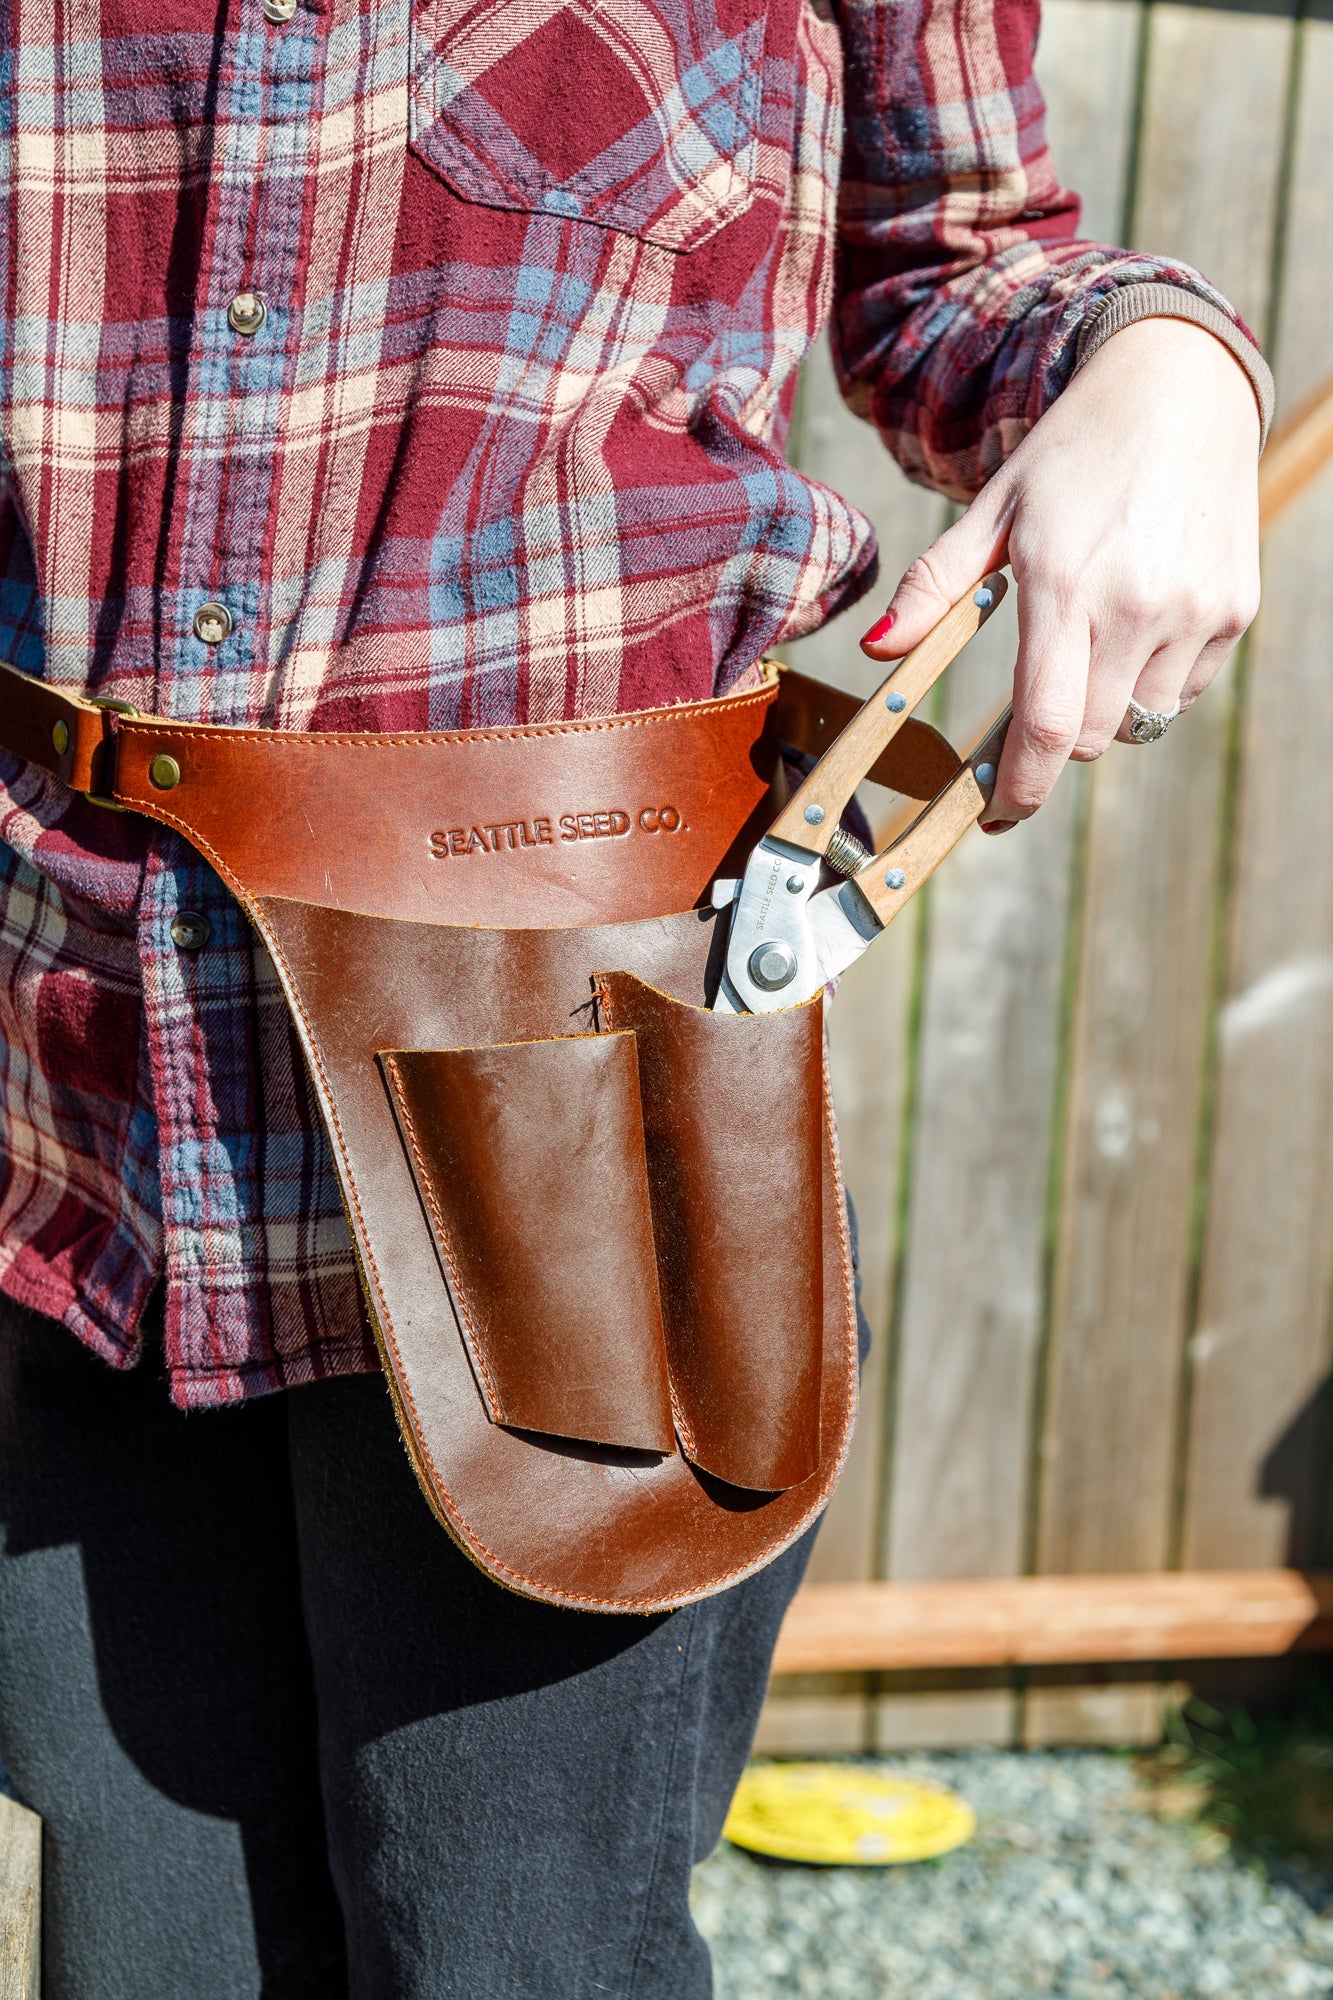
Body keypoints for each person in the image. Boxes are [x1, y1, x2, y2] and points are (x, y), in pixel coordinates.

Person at [0, 0, 1267, 1993]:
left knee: (518, 1950)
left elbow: (960, 265)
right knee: (135, 1950)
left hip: (567, 1106)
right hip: (68, 1115)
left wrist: (1161, 361)